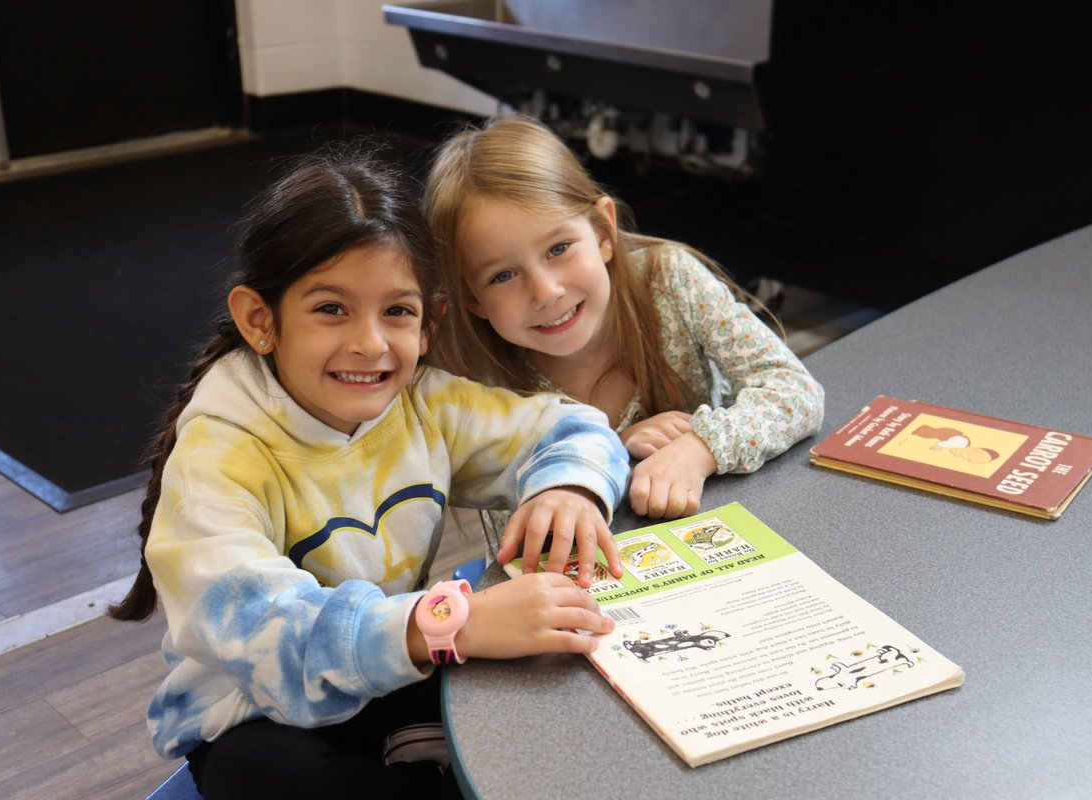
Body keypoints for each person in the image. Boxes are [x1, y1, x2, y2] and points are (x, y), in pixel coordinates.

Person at [106, 144, 630, 799]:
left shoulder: (426, 402)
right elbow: (267, 635)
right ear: (259, 320)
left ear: (429, 321)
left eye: (397, 311)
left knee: (551, 674)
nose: (370, 343)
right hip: (258, 709)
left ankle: (419, 751)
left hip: (398, 662)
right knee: (265, 776)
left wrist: (570, 487)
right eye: (331, 309)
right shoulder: (220, 452)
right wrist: (451, 624)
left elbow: (571, 427)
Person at [423, 114, 825, 525]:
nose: (545, 292)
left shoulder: (669, 280)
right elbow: (524, 507)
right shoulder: (479, 377)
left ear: (602, 232)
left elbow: (794, 391)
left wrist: (698, 450)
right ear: (473, 299)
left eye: (559, 248)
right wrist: (612, 448)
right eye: (503, 276)